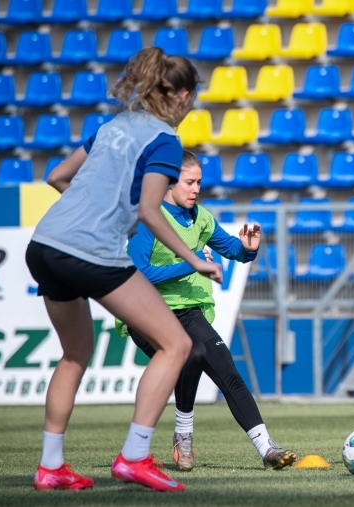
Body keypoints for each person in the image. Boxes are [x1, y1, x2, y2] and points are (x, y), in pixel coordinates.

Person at [26, 47, 221, 492]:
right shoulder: (165, 141)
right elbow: (153, 211)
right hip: (90, 250)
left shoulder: (112, 126)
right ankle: (135, 456)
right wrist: (194, 259)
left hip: (45, 243)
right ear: (185, 96)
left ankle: (50, 467)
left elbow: (57, 176)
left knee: (75, 354)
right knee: (176, 344)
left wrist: (99, 210)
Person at [117, 151, 297, 472]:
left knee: (226, 368)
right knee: (192, 353)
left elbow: (232, 250)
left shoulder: (200, 217)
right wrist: (192, 264)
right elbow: (138, 274)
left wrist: (247, 250)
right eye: (189, 182)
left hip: (187, 311)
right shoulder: (149, 219)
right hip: (146, 312)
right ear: (170, 184)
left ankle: (267, 448)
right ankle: (182, 436)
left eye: (199, 181)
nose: (196, 188)